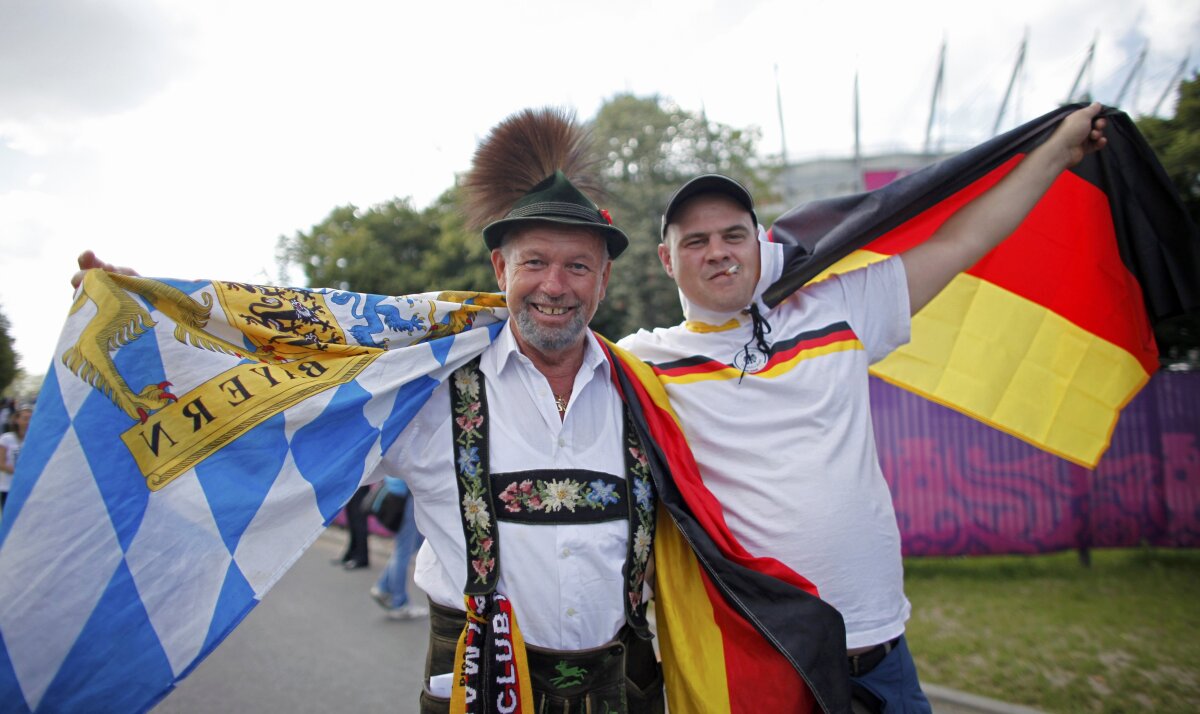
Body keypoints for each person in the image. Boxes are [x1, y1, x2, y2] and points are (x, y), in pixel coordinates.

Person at [74, 108, 664, 714]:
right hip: (477, 693)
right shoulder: (428, 389)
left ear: (605, 278)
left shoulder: (647, 391)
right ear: (500, 269)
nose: (555, 286)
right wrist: (150, 329)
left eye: (578, 266)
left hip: (627, 693)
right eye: (534, 262)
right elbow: (264, 413)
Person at [618, 103, 1109, 713]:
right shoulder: (643, 362)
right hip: (765, 661)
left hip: (880, 656)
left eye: (732, 235)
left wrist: (1058, 151)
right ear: (668, 261)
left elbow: (966, 238)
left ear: (759, 241)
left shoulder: (839, 310)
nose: (718, 252)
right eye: (695, 242)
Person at [369, 476, 428, 619]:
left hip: (397, 492)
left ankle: (383, 586)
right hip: (406, 496)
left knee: (413, 545)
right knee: (403, 551)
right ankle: (399, 602)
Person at [0, 404, 33, 514]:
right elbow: (1, 463)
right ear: (17, 420)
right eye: (25, 419)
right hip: (9, 487)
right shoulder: (6, 439)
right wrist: (20, 473)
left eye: (31, 419)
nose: (28, 422)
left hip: (28, 488)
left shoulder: (33, 440)